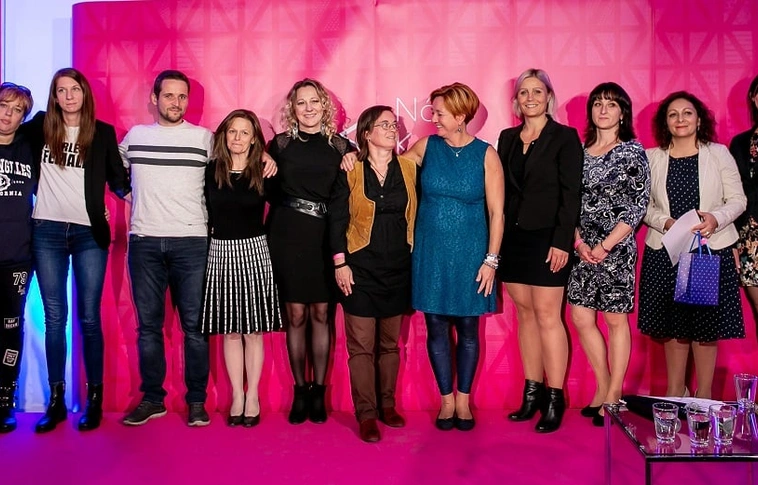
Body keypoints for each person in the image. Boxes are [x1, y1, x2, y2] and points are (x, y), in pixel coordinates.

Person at [120, 70, 275, 426]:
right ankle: (153, 399)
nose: (175, 102)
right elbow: (111, 167)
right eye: (168, 95)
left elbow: (243, 161)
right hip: (145, 241)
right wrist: (132, 197)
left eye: (182, 96)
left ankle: (196, 401)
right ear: (154, 98)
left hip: (192, 242)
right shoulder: (136, 137)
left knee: (195, 327)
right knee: (148, 327)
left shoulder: (205, 140)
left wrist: (269, 158)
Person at [23, 68, 131, 433]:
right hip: (47, 232)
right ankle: (56, 401)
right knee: (55, 318)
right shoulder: (39, 127)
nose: (69, 96)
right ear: (54, 97)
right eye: (61, 90)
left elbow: (119, 181)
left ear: (85, 94)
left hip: (88, 233)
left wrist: (144, 199)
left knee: (89, 317)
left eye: (75, 89)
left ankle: (94, 401)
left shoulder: (102, 133)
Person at [407, 82, 504, 431]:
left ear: (461, 116)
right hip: (431, 253)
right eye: (434, 112)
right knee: (435, 327)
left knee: (467, 329)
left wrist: (491, 260)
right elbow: (386, 168)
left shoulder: (486, 154)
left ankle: (463, 401)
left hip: (471, 256)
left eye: (440, 113)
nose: (433, 118)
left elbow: (497, 213)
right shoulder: (426, 147)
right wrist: (351, 156)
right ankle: (446, 401)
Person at [639, 91, 746, 399]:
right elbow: (642, 206)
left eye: (687, 113)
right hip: (666, 251)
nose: (680, 119)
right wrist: (666, 223)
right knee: (674, 325)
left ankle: (704, 395)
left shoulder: (718, 153)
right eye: (673, 114)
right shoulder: (652, 157)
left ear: (699, 120)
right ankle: (676, 391)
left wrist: (715, 218)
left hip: (707, 250)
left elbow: (738, 200)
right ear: (665, 123)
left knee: (704, 326)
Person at [497, 68, 583, 433]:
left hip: (549, 239)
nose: (530, 97)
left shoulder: (565, 137)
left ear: (548, 96)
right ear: (516, 100)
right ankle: (531, 393)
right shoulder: (507, 138)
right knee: (525, 316)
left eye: (537, 91)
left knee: (549, 316)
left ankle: (554, 397)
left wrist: (562, 241)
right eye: (524, 92)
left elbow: (571, 194)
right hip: (513, 240)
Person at [267, 78, 351, 425]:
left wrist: (354, 159)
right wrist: (262, 156)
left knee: (321, 313)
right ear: (293, 108)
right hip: (287, 234)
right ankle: (300, 391)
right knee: (296, 314)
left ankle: (319, 392)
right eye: (301, 103)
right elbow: (266, 188)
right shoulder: (280, 144)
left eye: (314, 101)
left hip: (324, 237)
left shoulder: (341, 146)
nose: (308, 108)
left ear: (324, 105)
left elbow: (347, 194)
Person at [329, 106, 416, 442]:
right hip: (360, 270)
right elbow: (337, 219)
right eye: (384, 125)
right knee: (361, 347)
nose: (393, 129)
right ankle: (366, 414)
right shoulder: (351, 170)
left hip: (399, 268)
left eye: (394, 124)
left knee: (390, 345)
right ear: (366, 133)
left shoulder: (409, 168)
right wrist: (340, 263)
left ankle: (387, 406)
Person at [566, 82, 650, 427]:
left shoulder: (632, 151)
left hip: (616, 248)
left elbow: (638, 204)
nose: (603, 109)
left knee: (615, 320)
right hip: (582, 249)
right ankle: (602, 385)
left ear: (622, 113)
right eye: (598, 103)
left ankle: (614, 395)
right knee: (581, 317)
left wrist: (605, 245)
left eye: (611, 104)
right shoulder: (579, 151)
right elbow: (568, 200)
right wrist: (579, 243)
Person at [201, 109, 281, 427]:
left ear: (254, 139)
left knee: (253, 331)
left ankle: (253, 396)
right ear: (223, 135)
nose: (237, 137)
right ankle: (237, 394)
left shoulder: (264, 170)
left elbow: (282, 208)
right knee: (231, 332)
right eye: (232, 131)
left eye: (245, 132)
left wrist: (267, 158)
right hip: (220, 252)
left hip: (254, 252)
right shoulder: (211, 170)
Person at [0, 83, 35, 433]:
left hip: (18, 258)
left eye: (16, 110)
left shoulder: (28, 147)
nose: (7, 114)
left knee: (10, 330)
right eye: (3, 106)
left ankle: (4, 401)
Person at [730, 75, 758, 316]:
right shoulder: (740, 143)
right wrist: (734, 240)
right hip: (750, 237)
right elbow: (733, 194)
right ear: (753, 97)